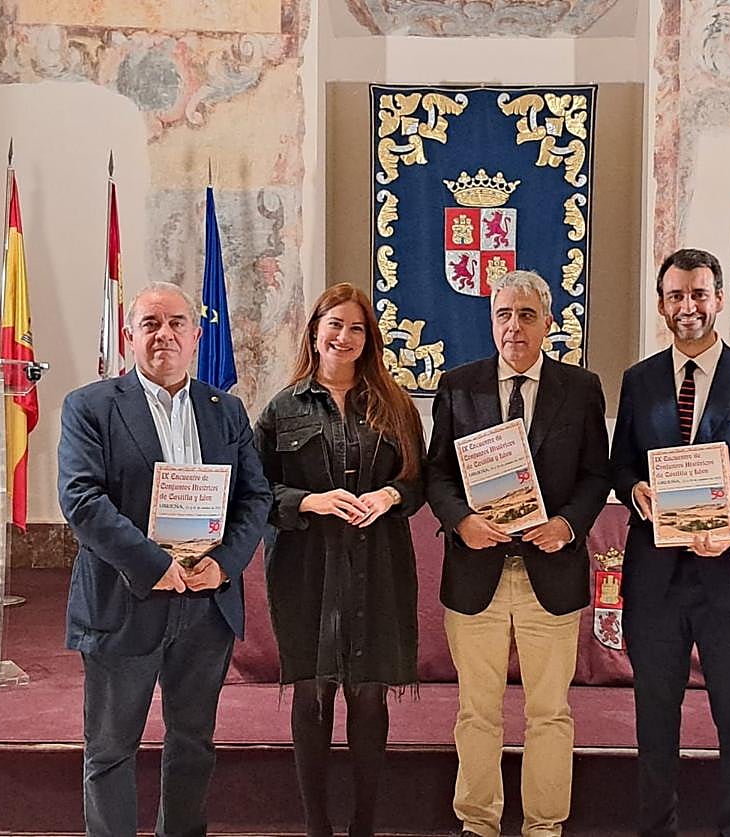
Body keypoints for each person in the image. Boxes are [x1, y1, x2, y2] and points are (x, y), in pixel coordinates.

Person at [57, 281, 270, 837]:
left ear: (196, 336)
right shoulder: (90, 406)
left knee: (193, 743)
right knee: (110, 749)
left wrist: (225, 564)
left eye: (177, 323)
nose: (164, 335)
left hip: (206, 604)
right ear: (130, 335)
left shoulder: (226, 410)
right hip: (123, 601)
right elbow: (82, 500)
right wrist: (156, 565)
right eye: (150, 324)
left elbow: (256, 497)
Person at [610, 248, 730, 837]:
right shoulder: (639, 380)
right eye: (675, 296)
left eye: (698, 294)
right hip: (656, 582)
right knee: (654, 720)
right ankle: (655, 829)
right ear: (661, 304)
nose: (687, 306)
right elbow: (621, 465)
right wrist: (635, 489)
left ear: (719, 298)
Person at [425, 269, 611, 837]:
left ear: (548, 323)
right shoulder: (459, 386)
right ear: (491, 322)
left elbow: (596, 475)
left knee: (549, 712)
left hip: (550, 573)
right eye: (503, 314)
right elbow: (436, 474)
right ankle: (478, 822)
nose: (514, 327)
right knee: (476, 710)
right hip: (475, 572)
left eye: (527, 315)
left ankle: (543, 826)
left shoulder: (580, 388)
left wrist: (567, 525)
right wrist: (462, 521)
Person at [253, 283, 425, 837]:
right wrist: (310, 501)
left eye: (356, 328)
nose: (344, 337)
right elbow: (256, 492)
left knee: (369, 694)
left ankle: (363, 826)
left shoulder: (395, 405)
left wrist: (390, 496)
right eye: (335, 325)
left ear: (369, 339)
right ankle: (317, 827)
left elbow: (419, 482)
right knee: (313, 690)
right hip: (307, 568)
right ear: (314, 332)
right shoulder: (282, 408)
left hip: (380, 566)